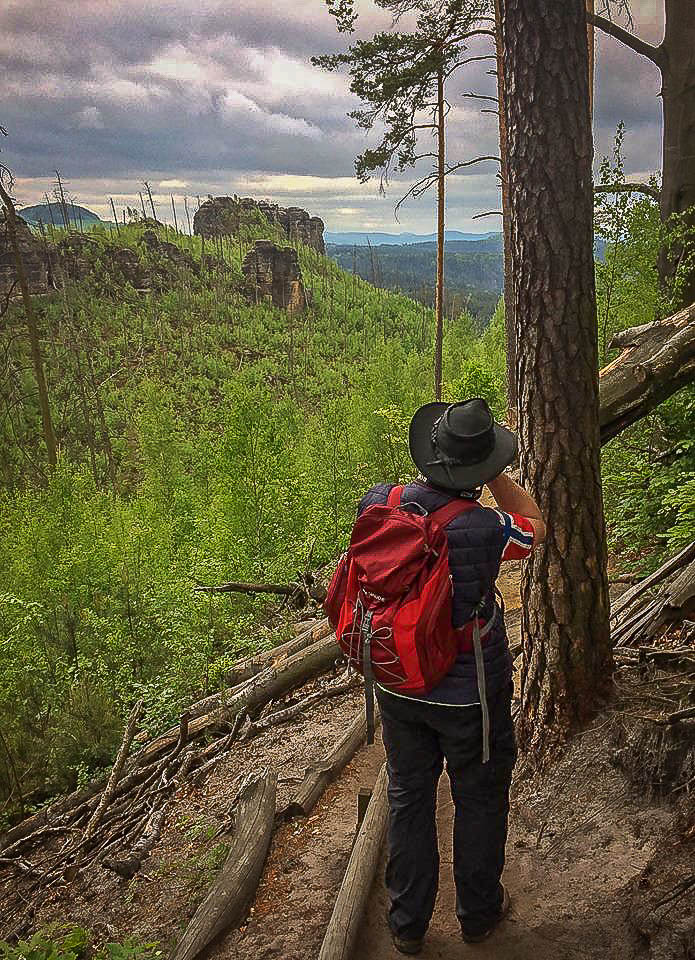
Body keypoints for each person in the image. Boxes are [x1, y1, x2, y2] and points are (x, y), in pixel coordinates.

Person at [356, 397, 545, 955]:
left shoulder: (381, 502)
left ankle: (407, 923)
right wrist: (499, 476)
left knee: (409, 795)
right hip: (471, 697)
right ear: (479, 468)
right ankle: (478, 914)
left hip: (397, 684)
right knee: (479, 798)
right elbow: (540, 528)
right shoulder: (489, 528)